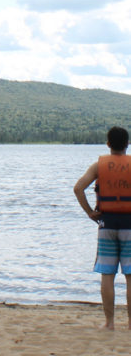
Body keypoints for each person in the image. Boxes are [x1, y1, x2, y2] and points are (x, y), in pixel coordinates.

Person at [74, 126, 131, 330]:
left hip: (106, 224)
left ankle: (109, 323)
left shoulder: (98, 165)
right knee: (130, 276)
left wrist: (90, 212)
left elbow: (78, 188)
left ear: (108, 144)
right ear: (127, 144)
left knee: (108, 276)